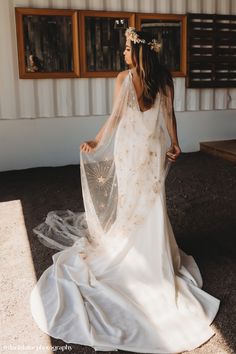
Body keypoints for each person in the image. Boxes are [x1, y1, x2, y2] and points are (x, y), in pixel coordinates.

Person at [30, 28, 220, 353]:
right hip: (148, 150)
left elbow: (117, 118)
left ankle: (141, 255)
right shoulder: (164, 78)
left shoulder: (127, 78)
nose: (123, 53)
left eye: (127, 48)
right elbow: (161, 115)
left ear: (137, 51)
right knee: (146, 204)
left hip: (134, 150)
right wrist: (174, 143)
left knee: (138, 203)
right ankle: (148, 255)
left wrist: (100, 140)